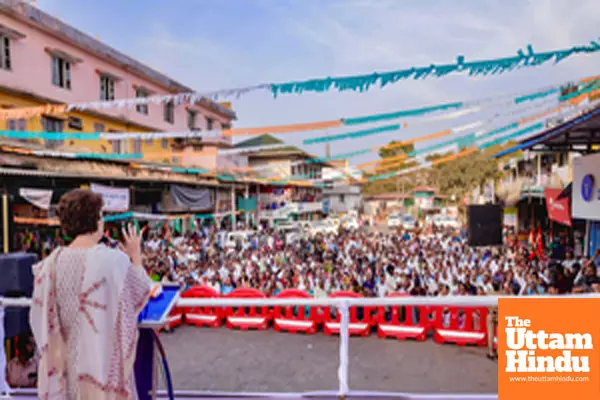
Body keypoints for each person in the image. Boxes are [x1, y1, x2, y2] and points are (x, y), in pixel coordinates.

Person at [30, 189, 152, 399]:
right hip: (104, 371)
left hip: (67, 372)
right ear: (96, 220)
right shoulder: (114, 261)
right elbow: (140, 290)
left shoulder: (49, 266)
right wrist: (135, 256)